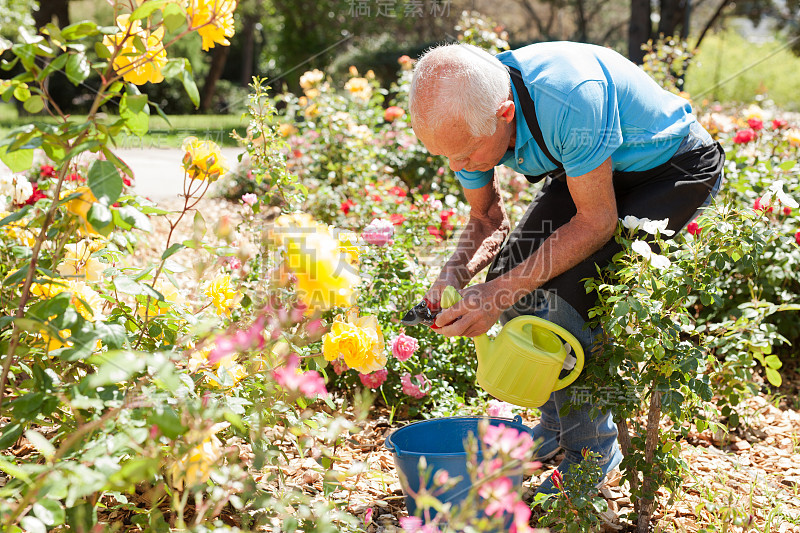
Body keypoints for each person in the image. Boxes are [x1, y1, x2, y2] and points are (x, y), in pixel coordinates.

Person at [408, 41, 724, 494]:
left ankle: (591, 454)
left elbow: (597, 223)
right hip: (595, 170)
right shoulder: (466, 121)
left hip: (670, 168)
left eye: (468, 155)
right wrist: (454, 274)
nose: (459, 167)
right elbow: (486, 220)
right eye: (446, 157)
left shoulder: (569, 96)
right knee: (517, 276)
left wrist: (498, 293)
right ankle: (558, 429)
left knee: (564, 304)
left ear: (504, 114)